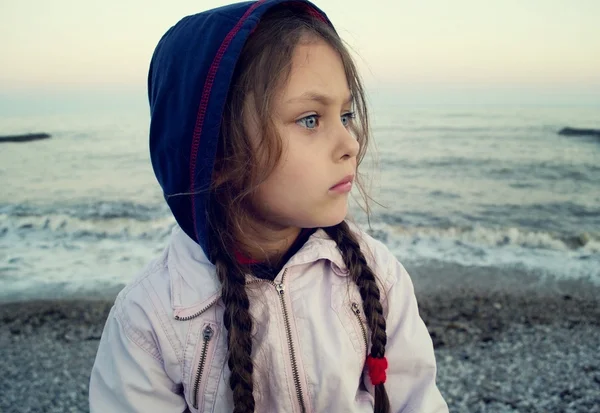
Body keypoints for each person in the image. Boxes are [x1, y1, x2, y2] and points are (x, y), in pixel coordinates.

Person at [89, 1, 449, 412]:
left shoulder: (376, 274)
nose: (350, 143)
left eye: (346, 114)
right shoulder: (150, 319)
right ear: (217, 152)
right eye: (311, 119)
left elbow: (417, 401)